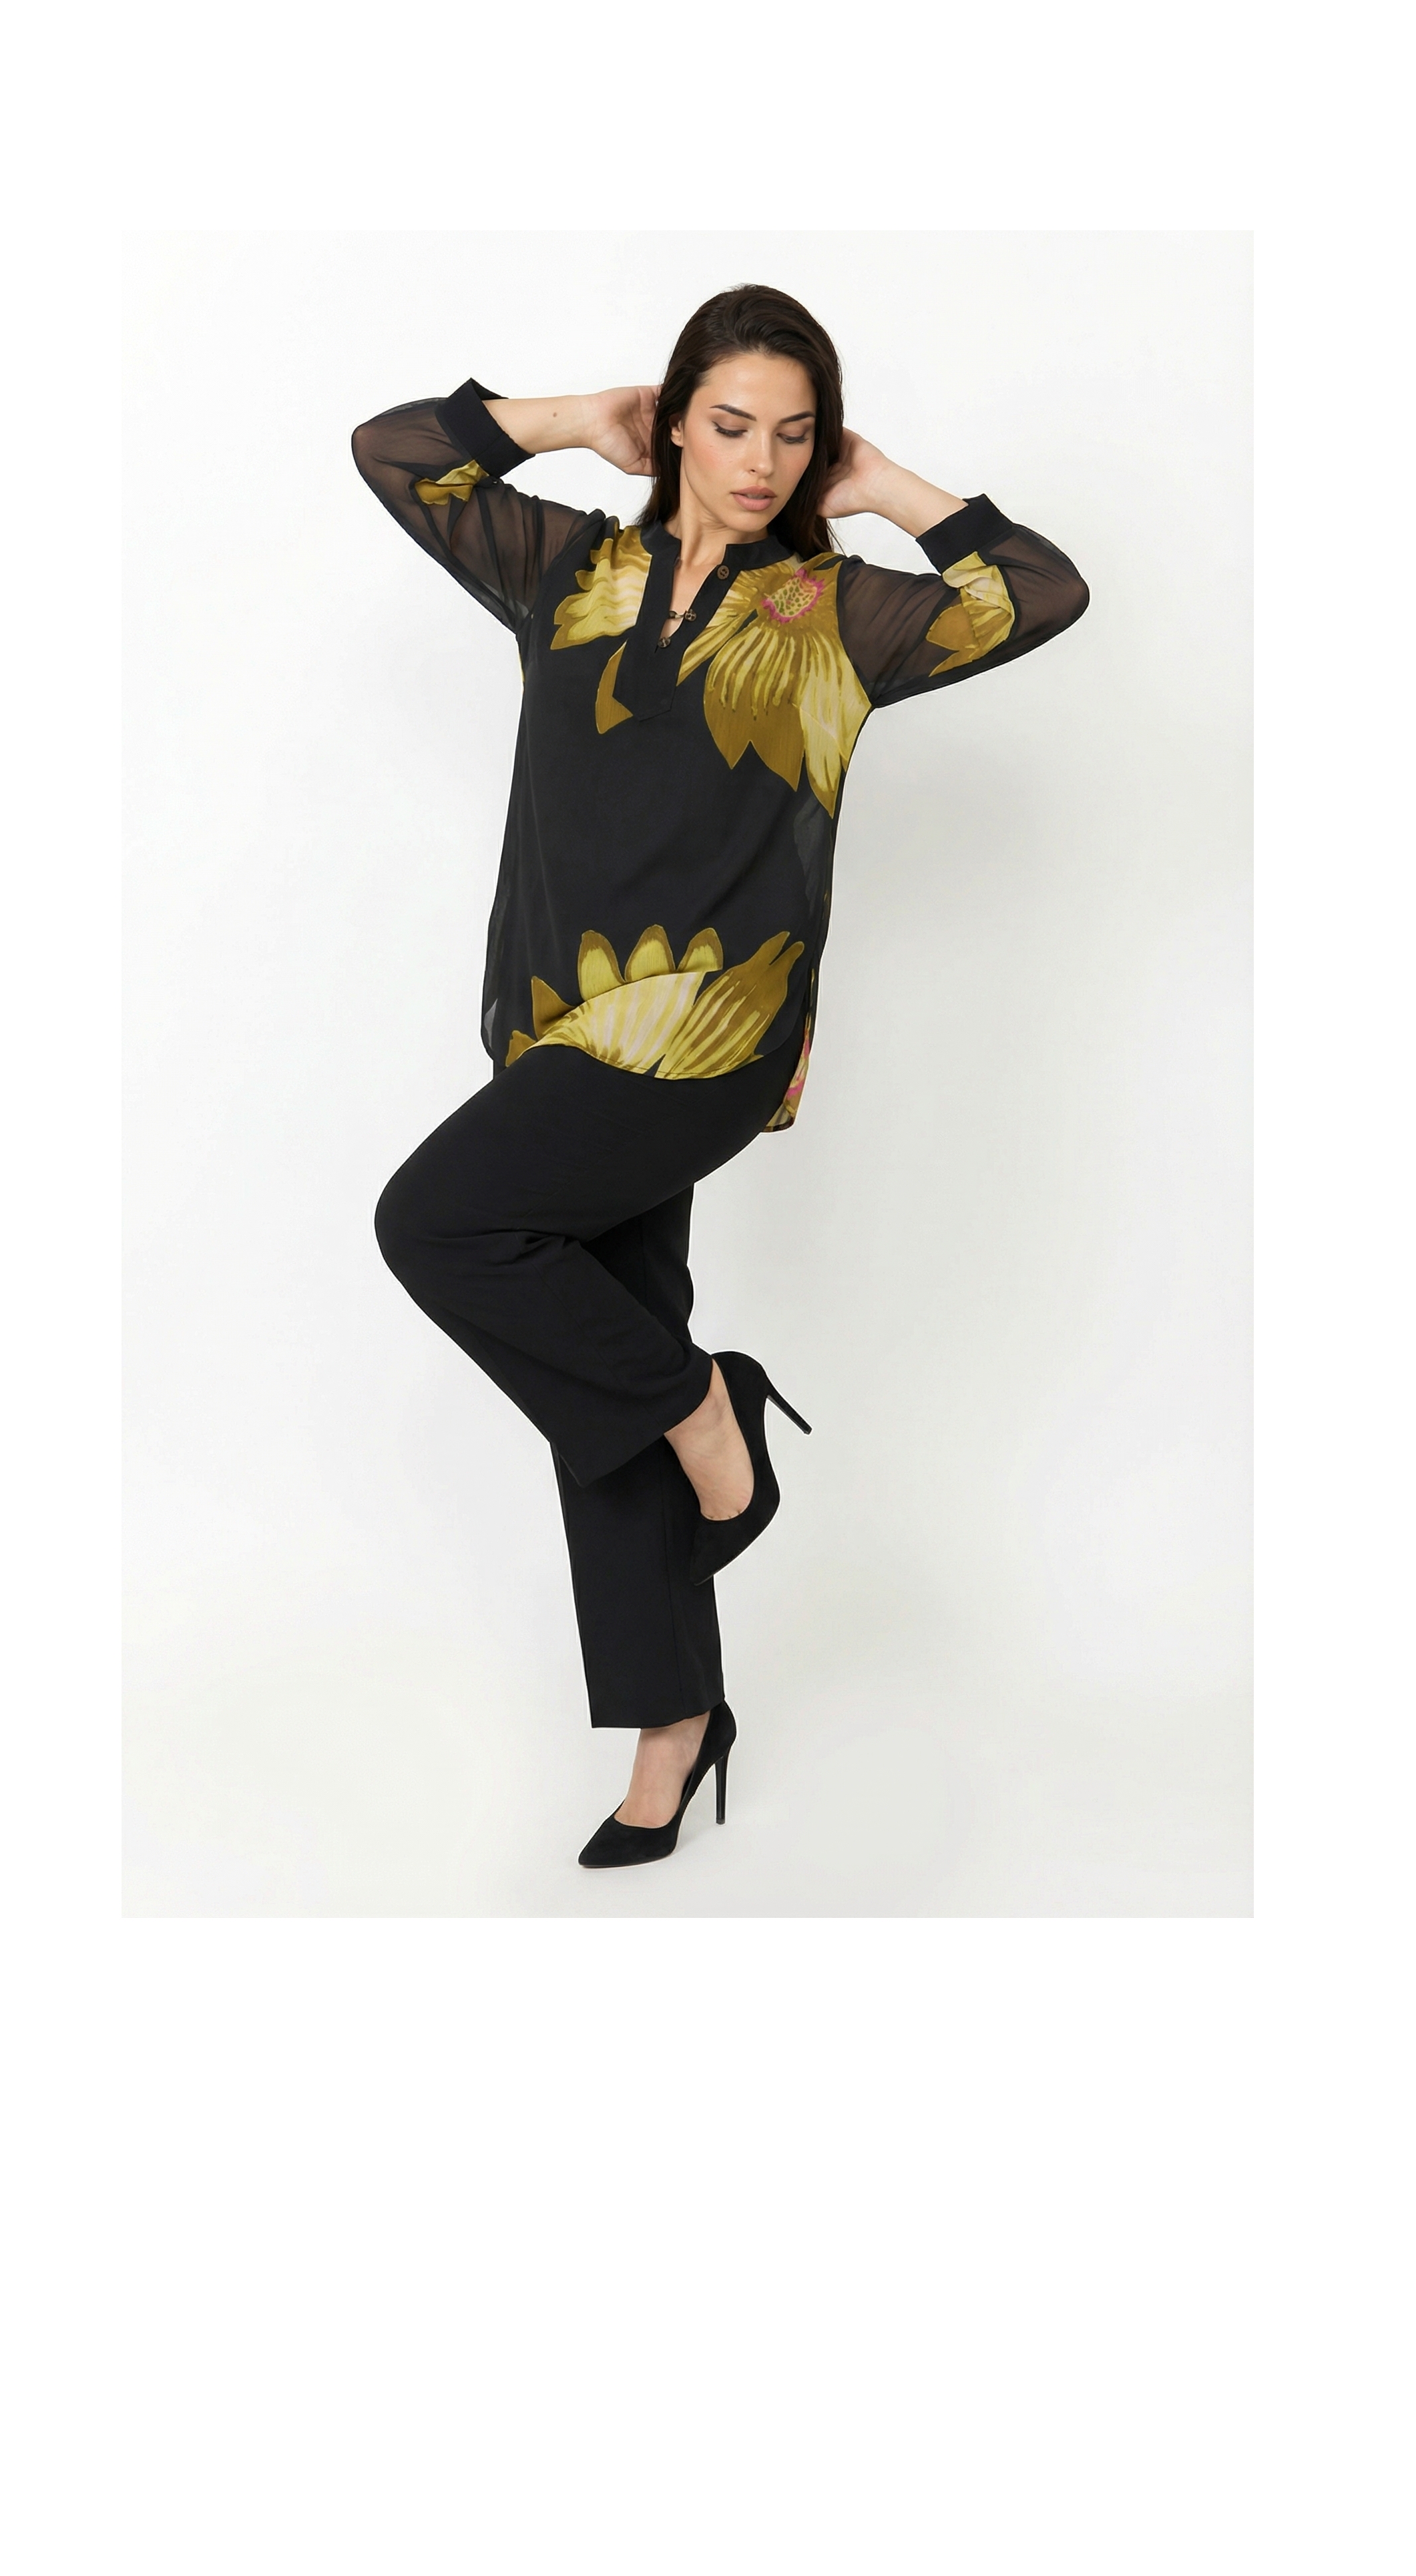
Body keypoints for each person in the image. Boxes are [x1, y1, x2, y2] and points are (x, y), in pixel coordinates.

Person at [355, 283, 1088, 1867]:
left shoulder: (841, 618)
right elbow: (396, 451)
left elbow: (1040, 591)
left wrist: (887, 489)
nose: (762, 463)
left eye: (796, 436)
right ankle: (675, 1722)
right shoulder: (570, 571)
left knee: (437, 1223)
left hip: (709, 1038)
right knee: (600, 1358)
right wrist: (572, 419)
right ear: (677, 420)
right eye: (733, 424)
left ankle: (704, 1410)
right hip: (556, 1024)